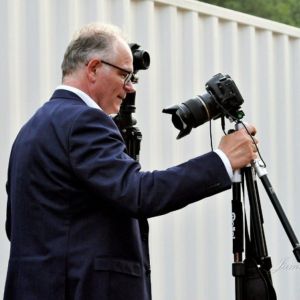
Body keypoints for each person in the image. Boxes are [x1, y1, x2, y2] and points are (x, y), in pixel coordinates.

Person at [4, 23, 258, 300]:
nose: (130, 88)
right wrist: (222, 160)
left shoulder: (29, 130)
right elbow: (137, 192)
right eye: (125, 75)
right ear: (93, 68)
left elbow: (15, 227)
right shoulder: (84, 121)